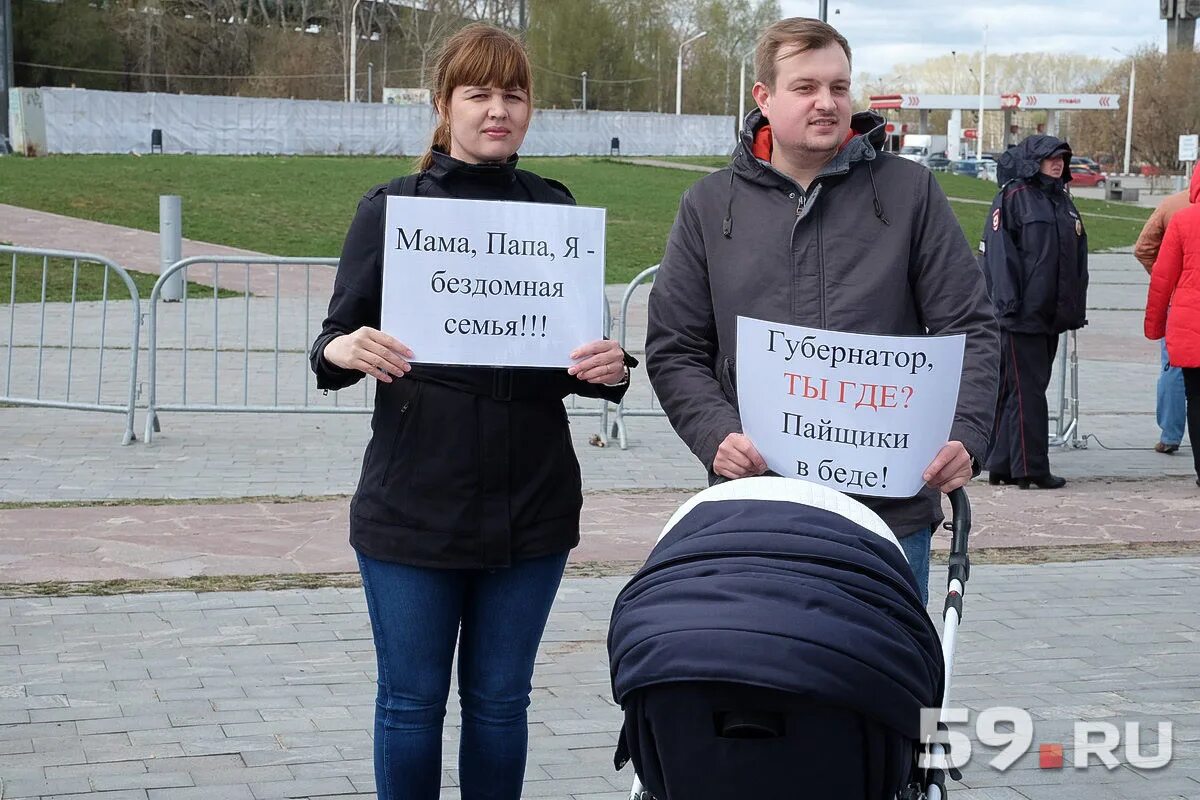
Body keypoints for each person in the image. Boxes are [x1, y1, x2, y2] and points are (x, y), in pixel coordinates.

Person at [308, 24, 633, 800]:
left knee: (498, 704)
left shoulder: (555, 211)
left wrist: (612, 367)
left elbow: (575, 358)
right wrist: (343, 350)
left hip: (533, 507)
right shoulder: (391, 210)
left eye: (513, 95)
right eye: (479, 93)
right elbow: (329, 341)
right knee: (411, 703)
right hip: (413, 505)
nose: (498, 110)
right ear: (444, 105)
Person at [644, 17, 999, 606]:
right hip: (758, 503)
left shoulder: (910, 192)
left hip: (888, 512)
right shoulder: (708, 205)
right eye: (805, 87)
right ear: (764, 97)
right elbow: (675, 346)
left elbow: (971, 326)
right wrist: (715, 434)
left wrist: (966, 435)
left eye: (838, 86)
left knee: (881, 687)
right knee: (765, 684)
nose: (826, 102)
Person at [981, 135, 1089, 490]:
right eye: (1049, 158)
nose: (1057, 163)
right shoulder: (1014, 197)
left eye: (1061, 157)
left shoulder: (1062, 202)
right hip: (1020, 314)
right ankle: (1031, 467)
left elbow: (1076, 261)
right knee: (1027, 390)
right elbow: (1000, 255)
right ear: (1033, 161)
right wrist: (1009, 304)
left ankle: (1002, 463)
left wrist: (1073, 309)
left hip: (1050, 315)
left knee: (1020, 388)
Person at [1144, 167, 1200, 487]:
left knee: (1196, 397)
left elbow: (1162, 280)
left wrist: (1155, 326)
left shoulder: (1182, 220)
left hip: (1189, 325)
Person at [1136, 187, 1192, 454]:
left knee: (1174, 368)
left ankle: (1171, 434)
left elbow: (1144, 248)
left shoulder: (1173, 206)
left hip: (1180, 305)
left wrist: (1171, 283)